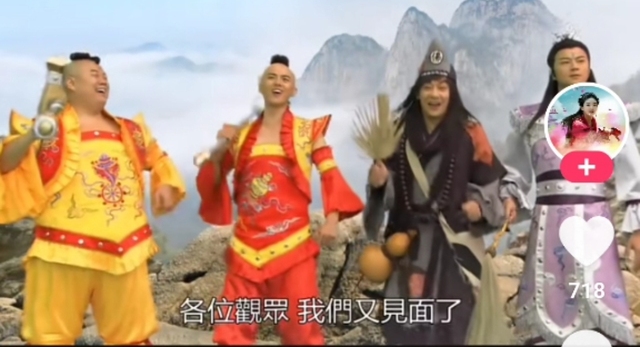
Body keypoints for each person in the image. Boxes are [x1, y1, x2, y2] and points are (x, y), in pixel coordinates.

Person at [0, 52, 186, 345]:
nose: (103, 80)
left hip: (126, 250)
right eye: (94, 74)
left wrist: (166, 184)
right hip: (61, 253)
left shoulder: (131, 130)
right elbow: (7, 162)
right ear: (71, 83)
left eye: (105, 75)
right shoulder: (49, 128)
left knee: (133, 337)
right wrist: (33, 134)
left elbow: (158, 158)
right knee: (50, 337)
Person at [195, 54, 364, 345]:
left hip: (293, 245)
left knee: (302, 330)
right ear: (261, 85)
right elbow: (216, 175)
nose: (278, 82)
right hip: (246, 246)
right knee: (232, 331)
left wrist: (333, 217)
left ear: (293, 90)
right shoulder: (240, 136)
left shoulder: (308, 132)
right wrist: (213, 160)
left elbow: (329, 173)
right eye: (271, 77)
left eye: (285, 79)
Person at [362, 40, 516, 345]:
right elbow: (383, 198)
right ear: (417, 91)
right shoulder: (395, 132)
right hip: (406, 244)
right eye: (428, 86)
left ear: (452, 92)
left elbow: (494, 185)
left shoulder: (471, 132)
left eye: (442, 87)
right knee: (402, 328)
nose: (435, 94)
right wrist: (378, 186)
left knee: (456, 326)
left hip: (455, 248)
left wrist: (479, 206)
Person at [501, 35, 640, 345]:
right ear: (553, 70)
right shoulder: (531, 121)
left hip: (595, 217)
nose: (574, 66)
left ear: (589, 66)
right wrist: (510, 196)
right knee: (550, 288)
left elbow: (633, 172)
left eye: (580, 61)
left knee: (597, 289)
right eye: (565, 62)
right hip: (548, 220)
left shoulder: (610, 117)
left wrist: (637, 226)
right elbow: (516, 171)